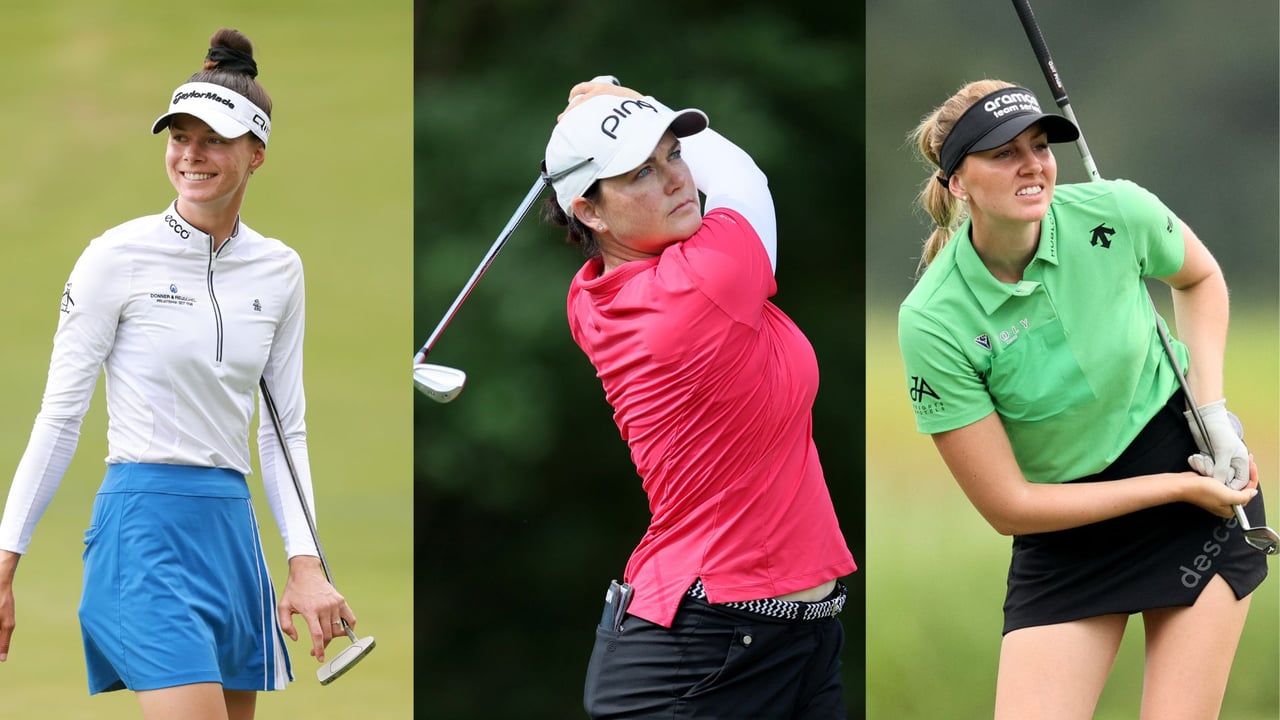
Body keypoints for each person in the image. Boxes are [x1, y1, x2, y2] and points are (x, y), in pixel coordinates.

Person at [0, 28, 356, 720]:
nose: (191, 155)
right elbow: (60, 416)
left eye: (214, 140)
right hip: (143, 528)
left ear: (256, 153)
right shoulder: (115, 257)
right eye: (180, 137)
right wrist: (6, 559)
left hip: (231, 531)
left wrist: (305, 563)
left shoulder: (280, 269)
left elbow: (284, 431)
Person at [897, 79, 1269, 719]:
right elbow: (1010, 506)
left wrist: (1212, 416)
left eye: (1040, 147)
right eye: (1004, 153)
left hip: (1193, 482)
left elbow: (1200, 277)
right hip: (1069, 529)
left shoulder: (1115, 211)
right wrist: (1175, 489)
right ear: (957, 183)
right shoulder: (933, 319)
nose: (1032, 165)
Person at [540, 79, 858, 719]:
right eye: (640, 172)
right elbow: (743, 178)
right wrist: (629, 95)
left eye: (674, 154)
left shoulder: (591, 295)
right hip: (705, 648)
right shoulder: (703, 281)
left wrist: (625, 117)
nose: (677, 180)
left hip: (784, 637)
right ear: (590, 212)